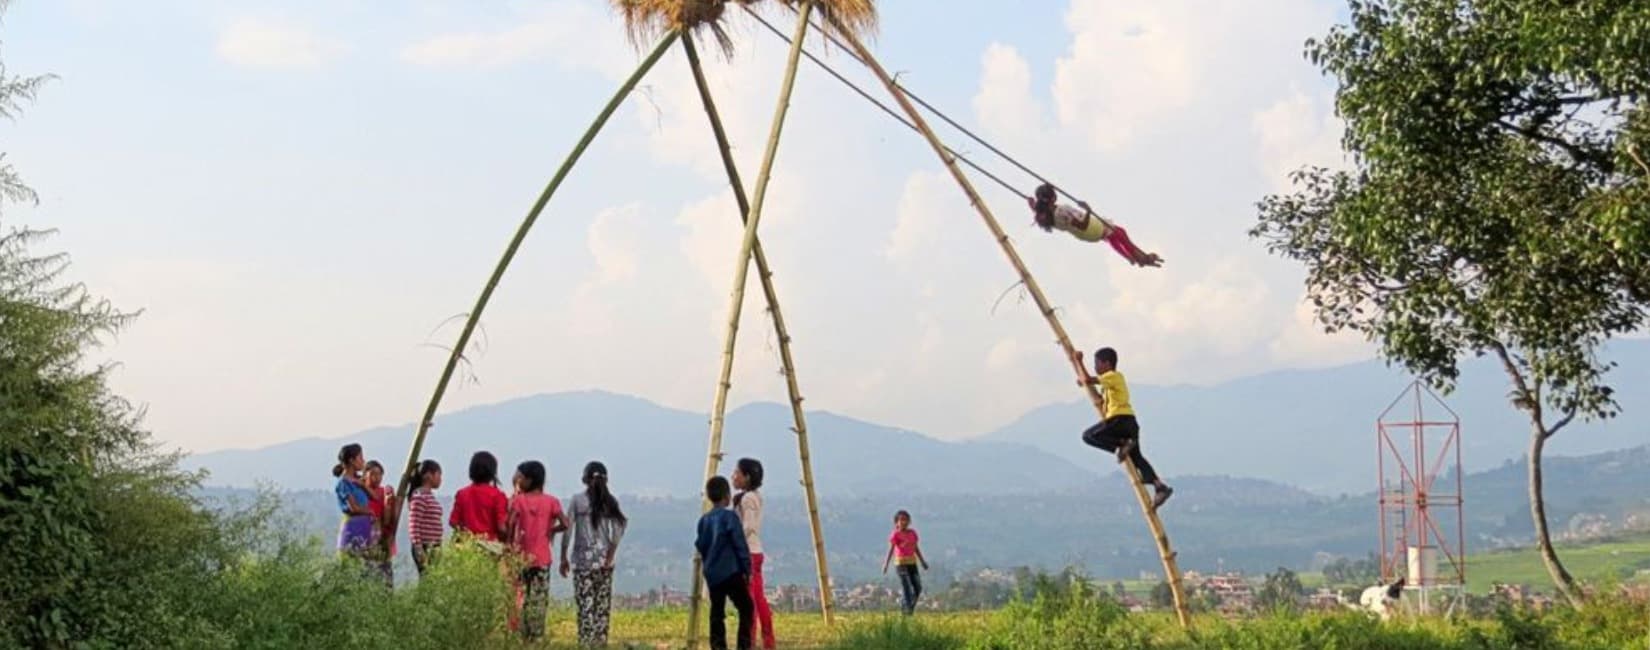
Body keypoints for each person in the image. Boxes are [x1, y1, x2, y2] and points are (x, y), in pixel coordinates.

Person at [1076, 346, 1174, 509]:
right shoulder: (1109, 383)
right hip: (1129, 424)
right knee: (1137, 458)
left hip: (1120, 420)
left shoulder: (1113, 376)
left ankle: (1121, 446)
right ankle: (1159, 487)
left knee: (1088, 436)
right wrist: (1084, 380)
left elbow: (1087, 379)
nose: (1095, 367)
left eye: (1097, 363)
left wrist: (1079, 361)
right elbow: (1090, 384)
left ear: (1107, 364)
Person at [561, 461, 628, 647]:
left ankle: (585, 642)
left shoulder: (577, 501)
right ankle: (600, 643)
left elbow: (568, 530)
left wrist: (563, 556)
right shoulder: (611, 501)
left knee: (585, 606)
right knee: (602, 607)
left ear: (585, 479)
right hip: (604, 564)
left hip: (583, 563)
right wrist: (610, 555)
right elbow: (619, 529)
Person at [506, 460, 570, 643]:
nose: (518, 480)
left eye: (521, 478)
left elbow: (510, 524)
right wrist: (550, 530)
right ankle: (537, 635)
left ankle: (523, 634)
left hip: (521, 557)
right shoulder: (552, 501)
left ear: (530, 480)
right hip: (542, 559)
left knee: (522, 597)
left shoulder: (518, 501)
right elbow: (565, 523)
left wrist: (510, 543)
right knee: (539, 598)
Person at [1029, 183, 1162, 267]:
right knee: (1119, 233)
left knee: (1112, 236)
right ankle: (1141, 257)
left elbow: (1037, 209)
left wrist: (1032, 205)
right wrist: (1087, 210)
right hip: (1090, 229)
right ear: (1053, 198)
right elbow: (1082, 225)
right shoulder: (1061, 210)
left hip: (1086, 236)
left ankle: (1131, 257)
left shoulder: (1045, 217)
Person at [696, 476, 753, 650]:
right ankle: (743, 646)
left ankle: (718, 646)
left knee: (717, 612)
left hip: (713, 574)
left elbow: (700, 545)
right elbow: (739, 544)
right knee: (746, 607)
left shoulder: (704, 520)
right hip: (731, 571)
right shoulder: (730, 518)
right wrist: (747, 569)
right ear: (727, 496)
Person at [731, 458, 774, 650]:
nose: (734, 477)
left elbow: (747, 527)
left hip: (746, 553)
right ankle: (768, 640)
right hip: (756, 551)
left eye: (737, 473)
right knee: (759, 598)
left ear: (747, 477)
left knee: (749, 602)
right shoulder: (756, 496)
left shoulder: (747, 499)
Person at [449, 451, 509, 544]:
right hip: (490, 547)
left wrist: (467, 534)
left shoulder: (462, 494)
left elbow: (453, 522)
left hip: (466, 547)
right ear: (492, 472)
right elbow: (501, 527)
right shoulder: (498, 496)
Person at [881, 510, 929, 615]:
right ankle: (907, 612)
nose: (904, 522)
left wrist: (922, 561)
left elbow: (915, 547)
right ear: (896, 522)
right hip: (901, 563)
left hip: (912, 563)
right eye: (901, 520)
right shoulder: (896, 534)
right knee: (906, 586)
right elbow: (891, 549)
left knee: (917, 587)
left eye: (906, 520)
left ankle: (908, 607)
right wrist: (886, 564)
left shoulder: (912, 533)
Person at [362, 460, 397, 585]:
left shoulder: (385, 492)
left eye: (380, 474)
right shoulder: (361, 494)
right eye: (373, 474)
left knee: (385, 573)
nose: (377, 478)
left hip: (382, 539)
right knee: (367, 573)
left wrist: (388, 504)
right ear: (365, 475)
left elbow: (388, 520)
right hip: (365, 540)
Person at [407, 459, 445, 576]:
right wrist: (418, 548)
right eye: (438, 475)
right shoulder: (420, 497)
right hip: (424, 546)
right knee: (427, 580)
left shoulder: (428, 496)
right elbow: (414, 524)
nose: (440, 479)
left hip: (433, 546)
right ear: (429, 475)